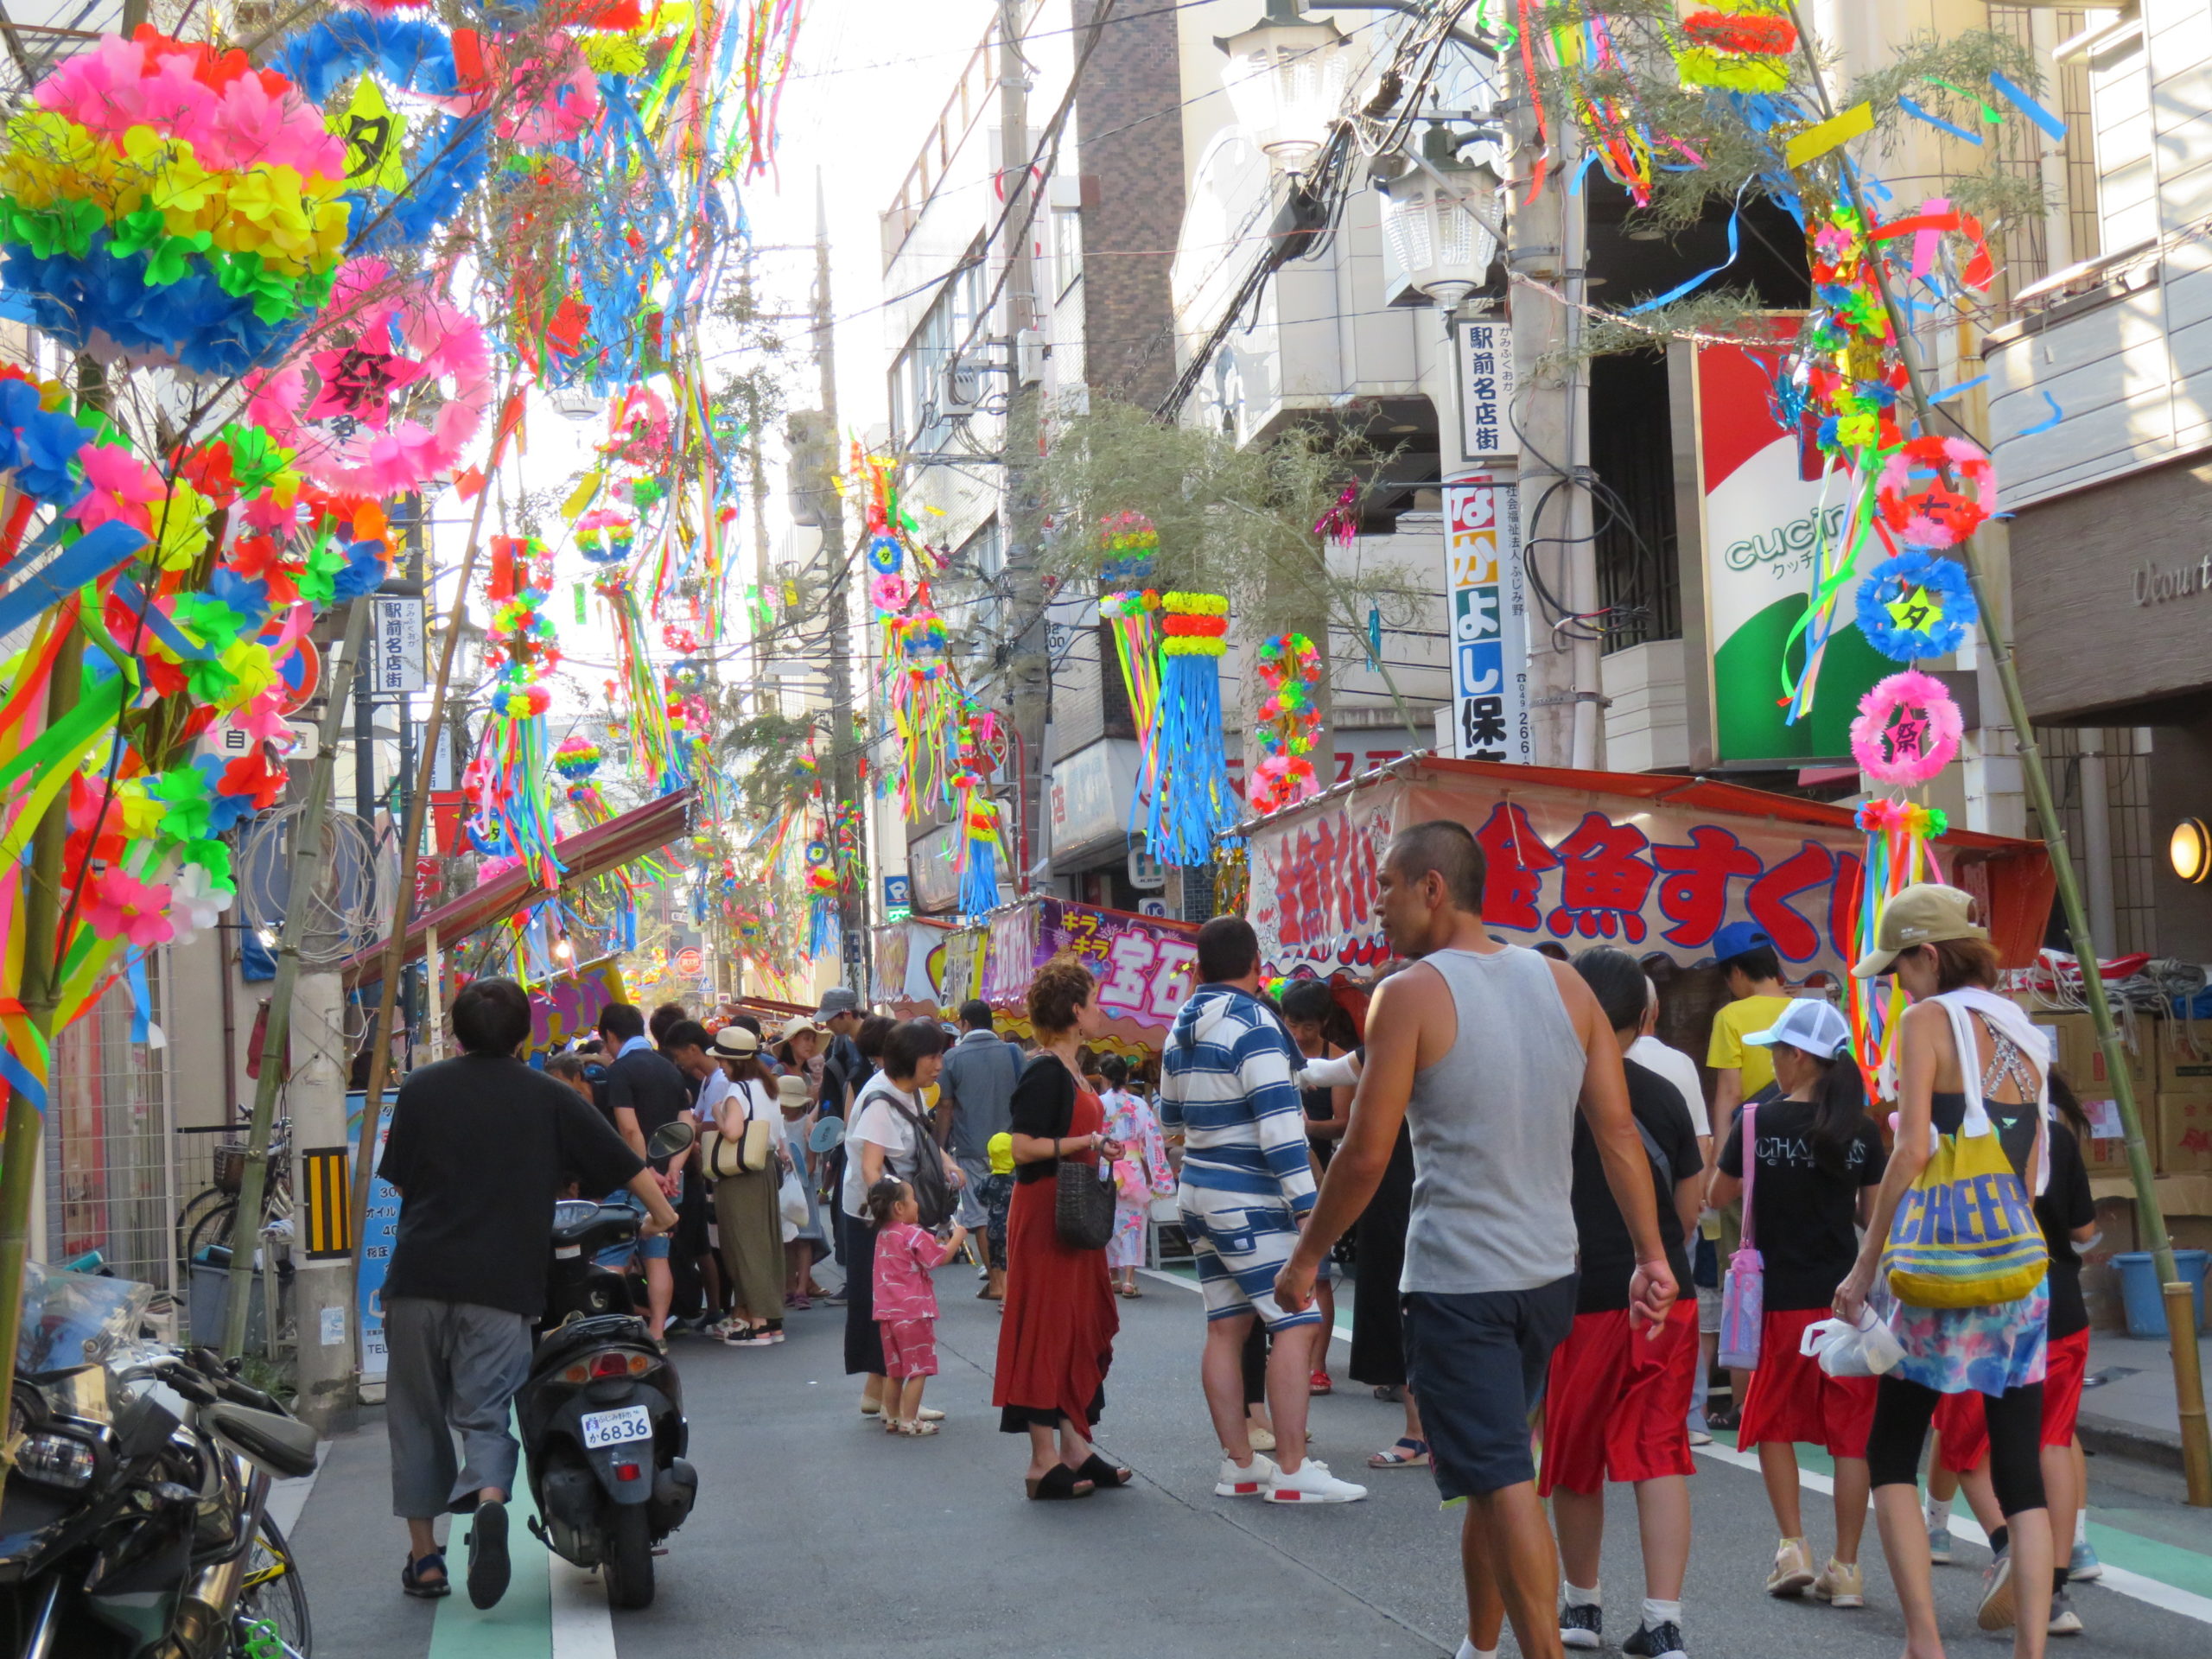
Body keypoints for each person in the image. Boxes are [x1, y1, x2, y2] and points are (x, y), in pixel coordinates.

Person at [1276, 821, 1677, 1659]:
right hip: (1546, 1280)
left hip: (1460, 1282)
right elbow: (1616, 1132)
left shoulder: (1411, 992)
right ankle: (1479, 1646)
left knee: (1499, 1480)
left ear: (1431, 887)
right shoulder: (1565, 987)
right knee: (1486, 1471)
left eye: (1386, 884)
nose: (1376, 904)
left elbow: (1363, 1154)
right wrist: (1651, 1254)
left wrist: (1306, 1257)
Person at [380, 978, 674, 1609]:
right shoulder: (547, 1094)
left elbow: (403, 1187)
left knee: (415, 1415)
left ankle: (425, 1559)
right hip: (500, 1286)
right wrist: (665, 1219)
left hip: (417, 1279)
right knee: (485, 1412)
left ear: (457, 1033)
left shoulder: (422, 1088)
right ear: (524, 1036)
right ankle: (489, 1500)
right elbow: (626, 1163)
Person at [1835, 884, 2057, 1659]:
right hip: (2019, 1273)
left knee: (1892, 1449)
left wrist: (1867, 1263)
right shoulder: (2024, 1033)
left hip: (1937, 1268)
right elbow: (2030, 1171)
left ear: (1928, 956)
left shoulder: (1926, 1022)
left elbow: (1915, 1149)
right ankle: (2034, 1648)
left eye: (1898, 968)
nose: (1897, 984)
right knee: (2022, 1467)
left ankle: (1925, 1641)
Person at [1159, 918, 1364, 1505]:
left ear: (1199, 967)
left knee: (1225, 1329)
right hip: (1251, 1198)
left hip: (1199, 1190)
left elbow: (1170, 1119)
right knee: (1295, 1322)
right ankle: (1294, 1469)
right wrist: (1308, 1213)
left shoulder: (1182, 1027)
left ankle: (1241, 1465)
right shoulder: (1255, 1022)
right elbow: (1281, 1128)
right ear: (1256, 962)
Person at [1538, 950, 1706, 1659]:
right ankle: (1663, 1621)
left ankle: (1581, 1607)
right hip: (1664, 1296)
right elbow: (1689, 1211)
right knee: (1659, 1453)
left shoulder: (1547, 1091)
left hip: (1576, 1295)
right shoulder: (1663, 1096)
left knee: (1575, 1454)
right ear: (1647, 1016)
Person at [1704, 996, 1885, 1605]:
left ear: (1801, 1056)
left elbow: (1717, 1192)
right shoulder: (1861, 1128)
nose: (1773, 1062)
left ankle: (1793, 1549)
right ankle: (1849, 1569)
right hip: (1845, 1307)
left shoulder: (1757, 1122)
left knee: (1774, 1425)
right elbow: (1872, 1215)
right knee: (1850, 1439)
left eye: (1778, 1051)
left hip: (1775, 1303)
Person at [1923, 1069, 2099, 1637]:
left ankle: (2007, 1547)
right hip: (2064, 1307)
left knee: (1965, 1445)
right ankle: (2056, 1583)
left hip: (1990, 1311)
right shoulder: (2057, 1137)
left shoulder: (1962, 1136)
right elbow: (2084, 1227)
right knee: (2054, 1440)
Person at [995, 957, 1131, 1500]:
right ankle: (1042, 1460)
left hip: (1070, 1211)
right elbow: (1021, 1146)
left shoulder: (1072, 1068)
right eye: (1094, 1001)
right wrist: (1087, 1144)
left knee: (1074, 1324)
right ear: (1076, 1011)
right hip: (1048, 1210)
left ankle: (1073, 1448)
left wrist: (1092, 1146)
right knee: (1047, 1327)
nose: (1101, 1011)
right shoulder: (1046, 1069)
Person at [842, 1020, 962, 1414]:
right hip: (875, 1221)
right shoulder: (880, 1101)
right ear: (911, 1059)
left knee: (889, 1309)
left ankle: (879, 1395)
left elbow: (921, 1135)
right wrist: (896, 1224)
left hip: (886, 1217)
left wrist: (945, 1163)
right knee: (895, 1311)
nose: (939, 1064)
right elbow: (872, 1170)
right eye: (933, 1056)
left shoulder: (904, 1091)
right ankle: (895, 1404)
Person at [1627, 976, 1718, 1445]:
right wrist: (1690, 1216)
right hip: (1671, 1213)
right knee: (1678, 1308)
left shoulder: (1579, 1063)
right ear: (1653, 1010)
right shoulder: (1678, 1064)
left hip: (1605, 1223)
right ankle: (1691, 1416)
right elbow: (1701, 1143)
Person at [595, 1002, 696, 1342]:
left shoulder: (620, 1070)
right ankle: (657, 1334)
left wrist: (643, 1171)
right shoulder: (669, 1068)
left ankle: (608, 1333)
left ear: (610, 1036)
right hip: (670, 1180)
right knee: (657, 1257)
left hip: (634, 1181)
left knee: (613, 1256)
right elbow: (687, 1123)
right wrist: (672, 1171)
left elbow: (629, 1129)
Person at [1281, 978, 1352, 1395]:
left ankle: (1317, 1364)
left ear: (1324, 1022)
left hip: (1321, 1177)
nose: (1300, 1035)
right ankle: (1288, 1351)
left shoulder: (1339, 1062)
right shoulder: (1275, 1055)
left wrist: (1306, 1127)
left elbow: (1343, 1124)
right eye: (1292, 1024)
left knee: (1319, 1276)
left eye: (1308, 1027)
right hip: (1279, 1178)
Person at [866, 1175, 970, 1434]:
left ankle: (893, 1416)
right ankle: (910, 1421)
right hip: (913, 1312)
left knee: (895, 1371)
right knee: (917, 1369)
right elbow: (940, 1258)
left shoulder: (883, 1234)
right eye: (912, 1199)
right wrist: (958, 1236)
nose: (917, 1204)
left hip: (887, 1313)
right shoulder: (913, 1233)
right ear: (899, 1208)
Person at [938, 997, 1021, 1298]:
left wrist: (940, 1147)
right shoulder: (1013, 1053)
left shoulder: (952, 1058)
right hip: (1013, 1149)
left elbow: (945, 1107)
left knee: (980, 1214)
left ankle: (998, 1281)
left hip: (971, 1148)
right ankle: (1013, 1277)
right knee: (1013, 1212)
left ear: (965, 1024)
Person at [710, 1024, 788, 1346]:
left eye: (723, 1062)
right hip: (766, 1168)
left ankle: (757, 1323)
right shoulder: (768, 1086)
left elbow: (731, 1132)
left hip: (740, 1174)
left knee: (743, 1246)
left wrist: (718, 1112)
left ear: (734, 1062)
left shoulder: (737, 1091)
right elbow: (779, 1134)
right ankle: (771, 1320)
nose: (721, 1067)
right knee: (765, 1243)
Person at [661, 1019, 728, 1332]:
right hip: (706, 1167)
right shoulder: (707, 1080)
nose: (679, 1063)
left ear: (692, 1049)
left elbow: (713, 1123)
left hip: (716, 1168)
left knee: (706, 1245)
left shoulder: (719, 1080)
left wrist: (688, 1127)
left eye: (680, 1055)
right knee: (705, 1244)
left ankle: (717, 1306)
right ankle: (715, 1306)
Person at [1098, 1054, 1173, 1298]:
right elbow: (1153, 1140)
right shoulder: (1139, 1104)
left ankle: (1113, 1277)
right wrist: (1158, 1177)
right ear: (1127, 1076)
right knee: (1133, 1223)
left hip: (1106, 1165)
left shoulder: (1098, 1104)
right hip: (1132, 1167)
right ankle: (1130, 1279)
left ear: (1103, 1077)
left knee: (1108, 1221)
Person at [777, 1071, 830, 1305]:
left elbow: (810, 1164)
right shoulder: (777, 1125)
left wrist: (792, 1168)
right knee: (788, 1240)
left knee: (804, 1239)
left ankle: (801, 1288)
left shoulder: (809, 1126)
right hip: (785, 1190)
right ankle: (790, 1286)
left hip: (802, 1188)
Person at [977, 1130, 1015, 1295]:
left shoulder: (987, 1180)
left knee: (997, 1263)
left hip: (993, 1228)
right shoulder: (1016, 1181)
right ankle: (1007, 1297)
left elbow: (980, 1197)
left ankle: (997, 1288)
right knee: (1010, 1263)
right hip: (1011, 1227)